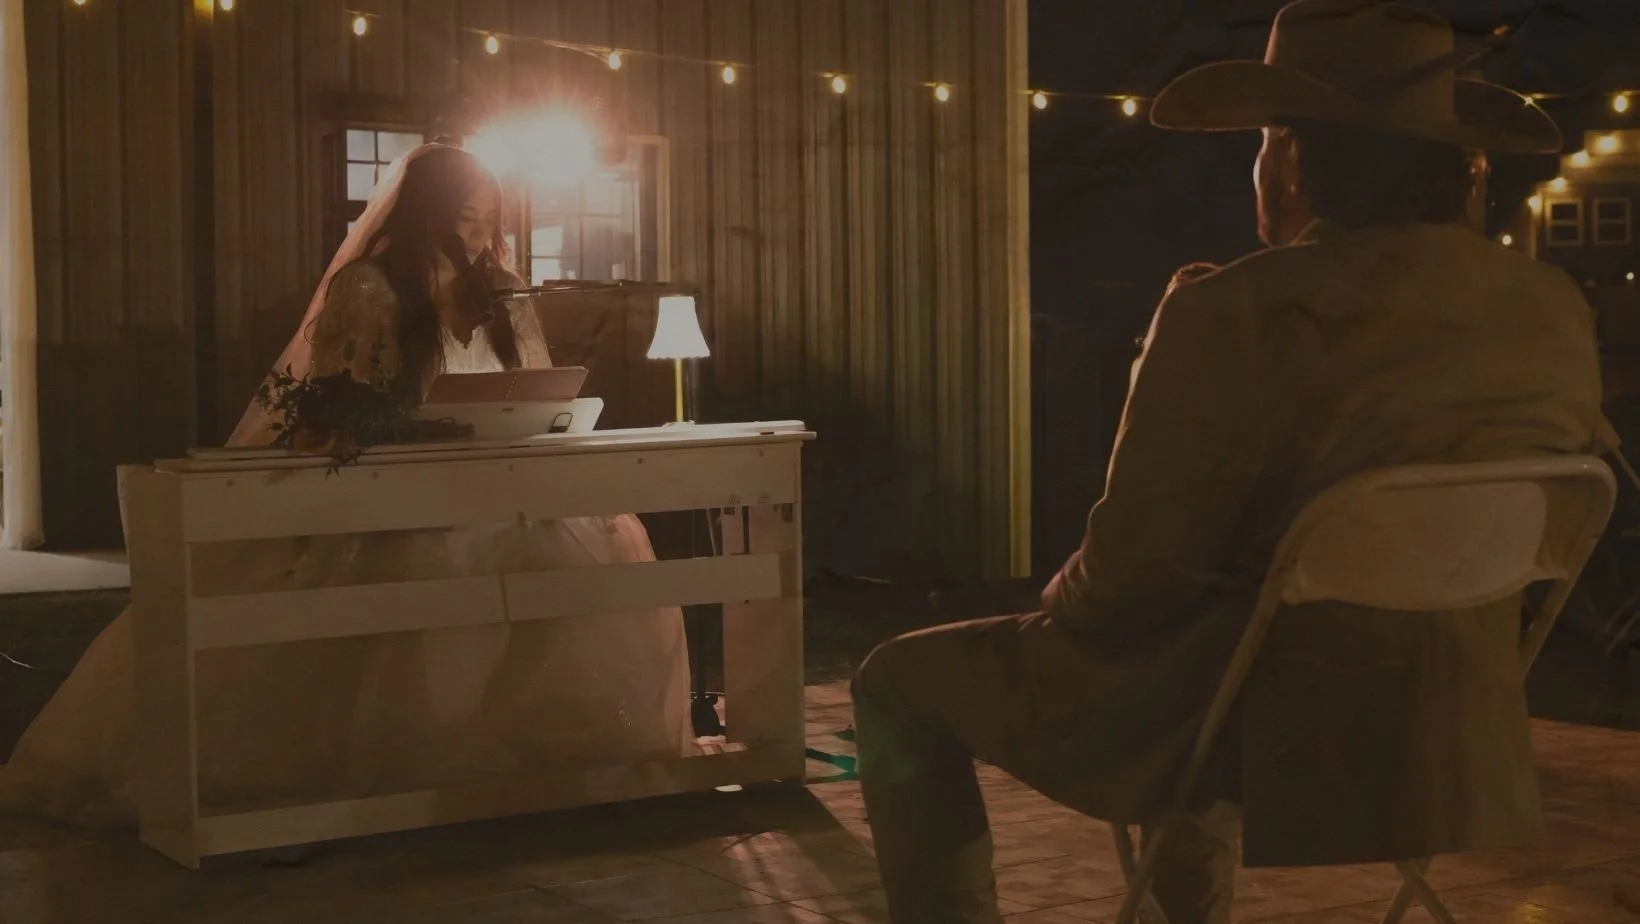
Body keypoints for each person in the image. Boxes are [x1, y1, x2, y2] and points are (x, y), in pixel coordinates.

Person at [851, 2, 1612, 921]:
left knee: (896, 681)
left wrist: (1060, 599)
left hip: (1239, 729)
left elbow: (1134, 575)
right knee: (1238, 619)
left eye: (1264, 139)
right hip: (1444, 732)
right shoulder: (1548, 306)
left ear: (1292, 155)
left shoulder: (1236, 310)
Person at [0, 144, 693, 823]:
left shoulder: (502, 291)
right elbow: (339, 402)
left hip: (498, 478)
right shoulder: (369, 286)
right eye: (464, 218)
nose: (480, 238)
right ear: (426, 213)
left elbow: (530, 382)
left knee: (580, 558)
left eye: (489, 220)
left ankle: (541, 763)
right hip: (404, 485)